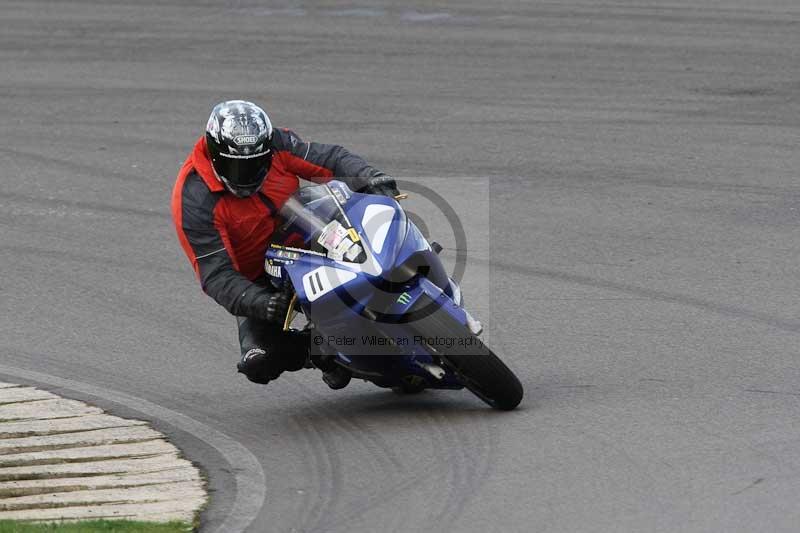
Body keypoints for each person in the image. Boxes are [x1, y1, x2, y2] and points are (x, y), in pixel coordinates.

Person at [171, 100, 399, 388]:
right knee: (258, 362)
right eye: (237, 167)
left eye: (256, 164)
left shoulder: (277, 143)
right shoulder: (194, 199)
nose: (248, 176)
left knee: (377, 222)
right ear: (215, 155)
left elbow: (328, 158)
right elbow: (216, 275)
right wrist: (261, 303)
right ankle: (322, 352)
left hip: (307, 233)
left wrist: (369, 177)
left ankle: (415, 277)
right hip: (259, 280)